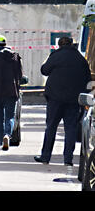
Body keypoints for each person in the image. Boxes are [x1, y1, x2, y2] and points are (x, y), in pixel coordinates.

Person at [34, 36, 92, 166]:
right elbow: (88, 79)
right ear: (72, 44)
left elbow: (45, 70)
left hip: (55, 98)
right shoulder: (81, 59)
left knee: (51, 127)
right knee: (70, 128)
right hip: (73, 100)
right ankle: (68, 159)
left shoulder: (56, 56)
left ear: (59, 45)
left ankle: (45, 156)